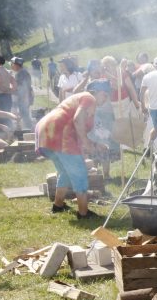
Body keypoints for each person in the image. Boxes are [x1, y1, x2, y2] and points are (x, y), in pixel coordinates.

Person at [36, 81, 108, 219]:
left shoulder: (80, 97)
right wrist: (87, 143)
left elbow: (76, 127)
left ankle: (58, 205)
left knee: (66, 172)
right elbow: (77, 120)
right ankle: (83, 213)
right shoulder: (89, 98)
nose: (105, 99)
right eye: (105, 95)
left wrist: (92, 143)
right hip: (60, 136)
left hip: (46, 133)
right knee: (79, 172)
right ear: (98, 92)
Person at [0, 55, 16, 127]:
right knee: (8, 112)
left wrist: (3, 89)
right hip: (8, 95)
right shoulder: (8, 71)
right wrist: (10, 90)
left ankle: (4, 131)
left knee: (1, 113)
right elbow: (14, 82)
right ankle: (11, 129)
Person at [11, 57, 34, 130]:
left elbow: (23, 88)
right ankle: (28, 128)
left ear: (17, 65)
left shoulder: (21, 73)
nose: (11, 66)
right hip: (25, 97)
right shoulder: (23, 72)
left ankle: (28, 129)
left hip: (24, 98)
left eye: (12, 64)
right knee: (24, 114)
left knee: (25, 115)